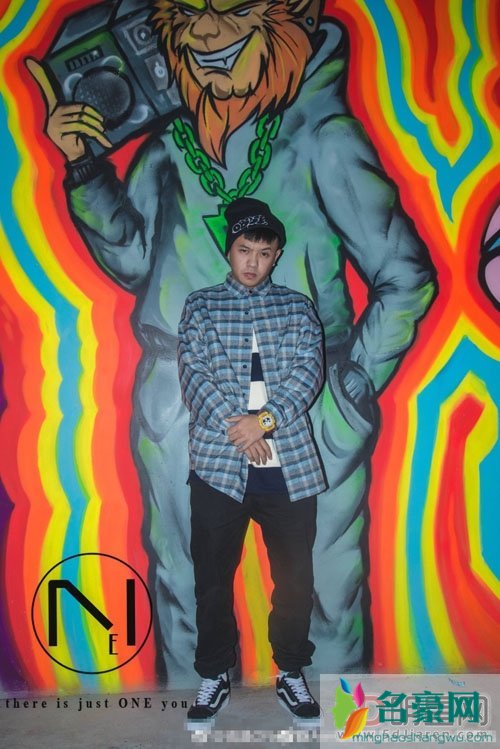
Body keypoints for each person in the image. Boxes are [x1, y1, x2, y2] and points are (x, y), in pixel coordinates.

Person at [28, 0, 437, 683]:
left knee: (320, 588)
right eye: (189, 13)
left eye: (233, 11)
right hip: (182, 402)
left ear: (291, 17)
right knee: (187, 584)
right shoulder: (169, 145)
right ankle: (195, 711)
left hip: (304, 408)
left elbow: (404, 276)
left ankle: (330, 716)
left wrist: (350, 389)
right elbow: (133, 261)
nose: (206, 31)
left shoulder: (321, 138)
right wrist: (84, 168)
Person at [177, 197, 326, 723]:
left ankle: (290, 670)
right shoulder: (201, 306)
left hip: (289, 467)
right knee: (212, 579)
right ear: (229, 250)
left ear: (277, 255)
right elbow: (193, 373)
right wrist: (240, 430)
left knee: (295, 580)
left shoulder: (297, 308)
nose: (252, 262)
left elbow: (309, 373)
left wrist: (263, 421)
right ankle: (214, 673)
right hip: (218, 467)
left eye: (264, 253)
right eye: (244, 250)